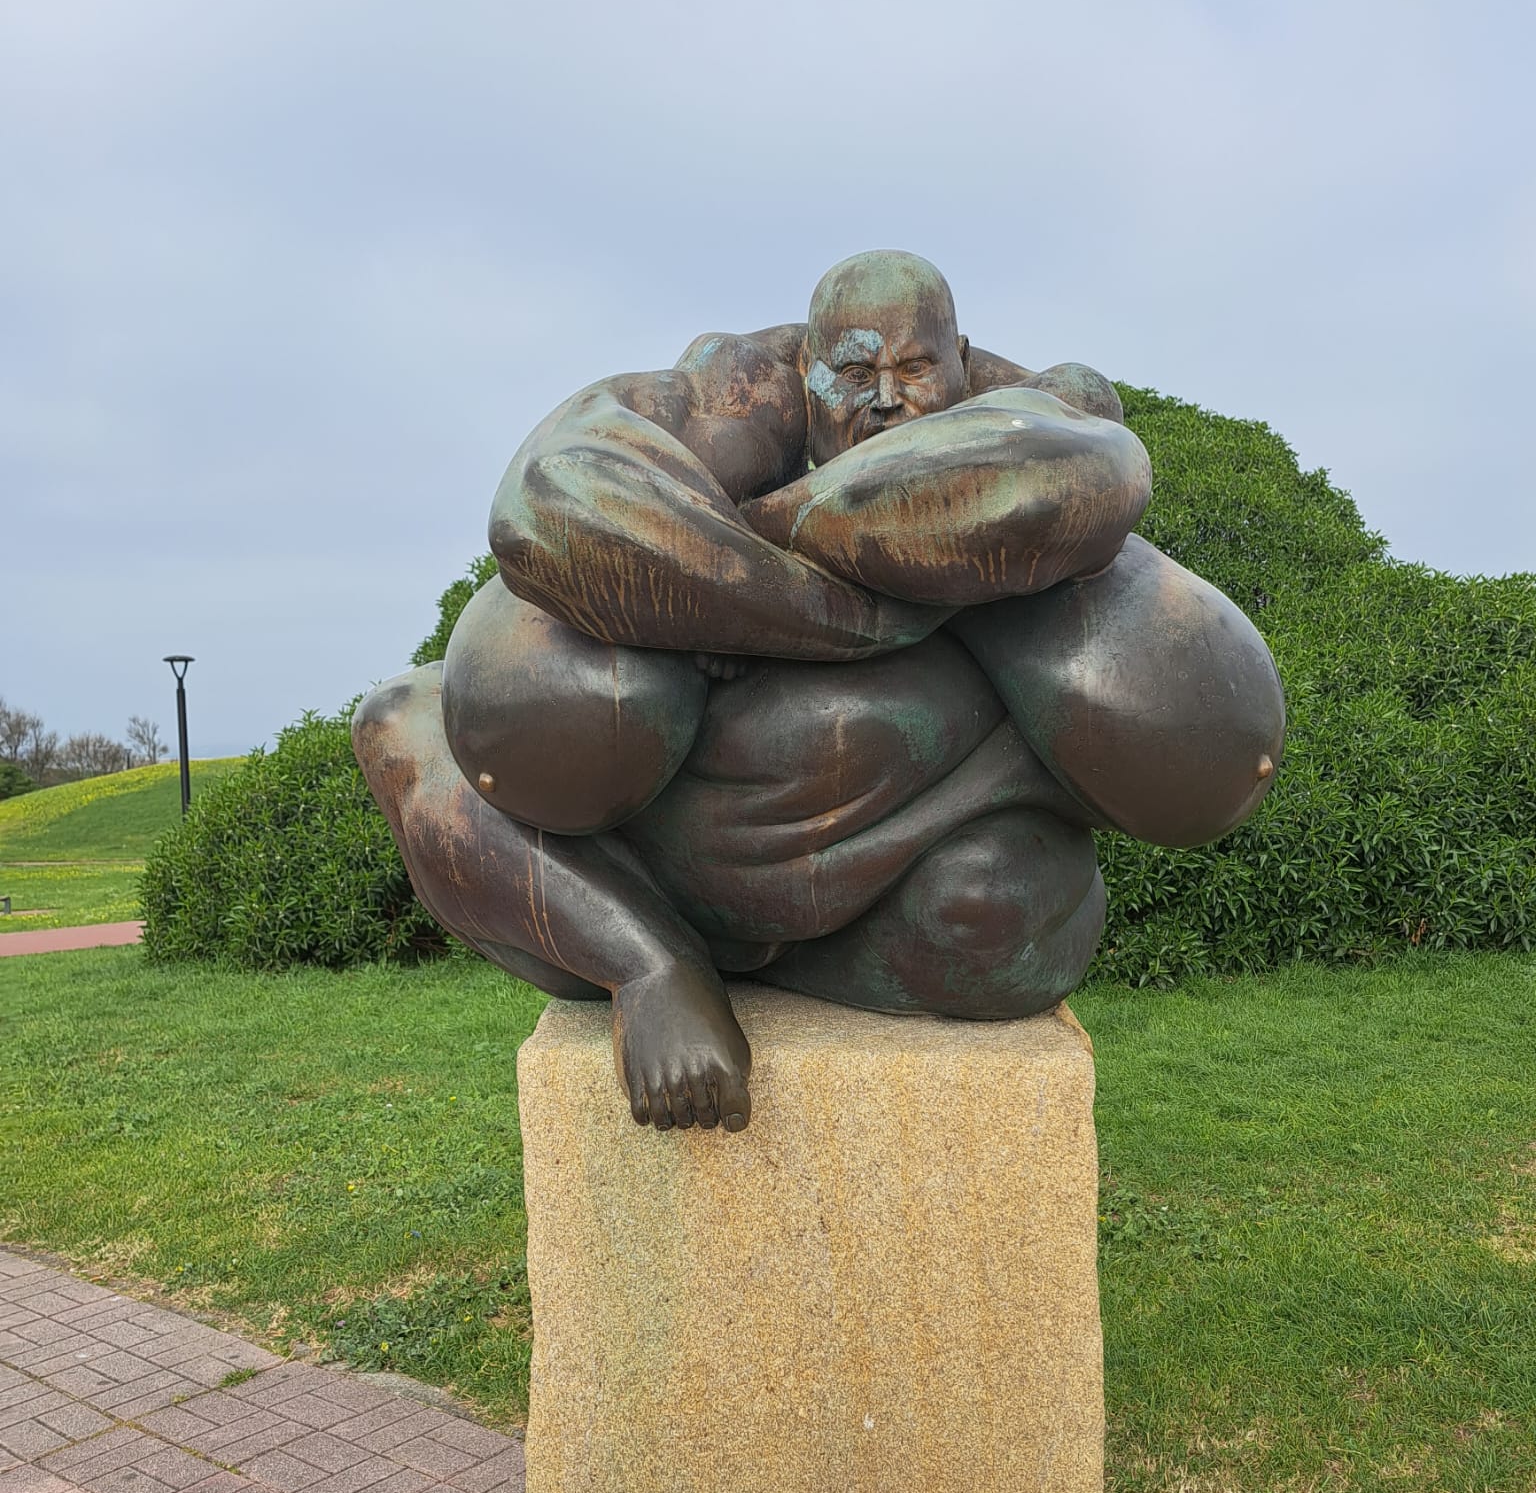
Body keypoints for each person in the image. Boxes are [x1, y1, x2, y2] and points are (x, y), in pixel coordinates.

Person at [354, 252, 1283, 1131]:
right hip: (641, 877)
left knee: (993, 901)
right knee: (423, 720)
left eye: (915, 370)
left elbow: (1074, 483)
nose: (886, 398)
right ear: (807, 368)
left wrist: (720, 567)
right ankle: (655, 959)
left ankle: (764, 956)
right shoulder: (736, 390)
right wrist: (812, 606)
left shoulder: (1047, 410)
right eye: (855, 372)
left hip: (908, 888)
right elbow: (550, 495)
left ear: (962, 363)